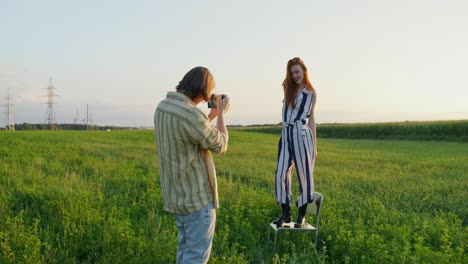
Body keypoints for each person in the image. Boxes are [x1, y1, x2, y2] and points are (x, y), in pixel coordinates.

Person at [154, 66, 230, 263]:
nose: (207, 99)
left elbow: (193, 130)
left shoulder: (162, 107)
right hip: (197, 201)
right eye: (207, 93)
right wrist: (221, 113)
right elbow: (220, 144)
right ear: (202, 91)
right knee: (195, 258)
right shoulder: (191, 115)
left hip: (177, 198)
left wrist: (211, 115)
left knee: (185, 254)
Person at [273, 57, 317, 228]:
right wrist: (287, 83)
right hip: (286, 133)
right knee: (280, 173)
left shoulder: (311, 93)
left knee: (304, 174)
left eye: (298, 72)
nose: (295, 75)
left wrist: (315, 145)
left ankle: (302, 213)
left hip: (302, 133)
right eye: (292, 73)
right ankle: (286, 211)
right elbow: (285, 84)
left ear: (304, 71)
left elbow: (312, 119)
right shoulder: (287, 89)